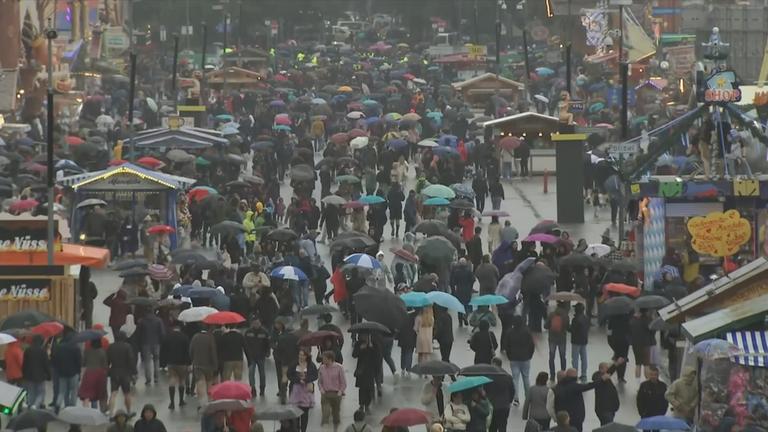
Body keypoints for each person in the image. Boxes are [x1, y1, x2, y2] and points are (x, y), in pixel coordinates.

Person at [503, 315, 535, 406]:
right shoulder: (527, 332)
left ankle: (516, 398)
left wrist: (509, 356)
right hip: (525, 358)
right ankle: (528, 397)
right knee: (526, 378)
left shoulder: (510, 332)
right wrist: (529, 355)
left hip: (514, 358)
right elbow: (531, 345)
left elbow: (506, 346)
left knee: (515, 379)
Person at [287, 348, 317, 432]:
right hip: (295, 391)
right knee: (295, 413)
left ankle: (303, 430)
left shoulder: (311, 365)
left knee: (304, 413)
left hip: (306, 391)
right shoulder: (294, 364)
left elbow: (315, 375)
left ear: (306, 356)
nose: (301, 357)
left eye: (303, 355)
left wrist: (306, 379)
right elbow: (289, 374)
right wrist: (297, 379)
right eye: (300, 355)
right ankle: (296, 429)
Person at [161, 321, 190, 410]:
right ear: (180, 328)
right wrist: (189, 363)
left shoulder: (167, 337)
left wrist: (163, 363)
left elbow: (163, 351)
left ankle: (172, 403)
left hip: (171, 363)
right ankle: (181, 401)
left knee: (172, 380)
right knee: (181, 381)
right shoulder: (184, 337)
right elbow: (187, 351)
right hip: (182, 363)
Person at [51, 330, 82, 410]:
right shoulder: (76, 348)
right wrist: (79, 373)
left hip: (62, 373)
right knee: (74, 391)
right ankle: (72, 408)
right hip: (73, 373)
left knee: (63, 391)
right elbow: (79, 362)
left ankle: (59, 404)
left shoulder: (59, 347)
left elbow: (56, 360)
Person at [190, 327, 218, 408]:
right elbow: (213, 352)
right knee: (209, 383)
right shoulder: (210, 338)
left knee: (200, 383)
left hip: (198, 365)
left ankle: (202, 403)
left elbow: (191, 350)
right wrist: (215, 365)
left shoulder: (195, 337)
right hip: (209, 366)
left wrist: (193, 360)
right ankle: (209, 401)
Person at [318, 350, 346, 428]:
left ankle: (335, 428)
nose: (322, 360)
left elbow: (343, 382)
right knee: (325, 414)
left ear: (330, 359)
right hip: (325, 394)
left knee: (336, 415)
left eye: (324, 358)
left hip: (336, 393)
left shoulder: (339, 367)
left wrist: (340, 392)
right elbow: (319, 381)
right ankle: (325, 428)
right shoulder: (322, 368)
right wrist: (321, 390)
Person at [352, 335, 379, 414]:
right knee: (362, 388)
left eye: (367, 336)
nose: (365, 338)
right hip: (361, 370)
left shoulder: (374, 344)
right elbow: (354, 355)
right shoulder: (359, 344)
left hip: (370, 370)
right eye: (364, 336)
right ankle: (361, 405)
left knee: (369, 388)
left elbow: (378, 356)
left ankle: (367, 405)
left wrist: (372, 348)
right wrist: (361, 348)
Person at [485, 357, 514, 432]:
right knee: (503, 426)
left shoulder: (489, 376)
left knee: (492, 427)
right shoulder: (508, 376)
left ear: (494, 364)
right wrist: (509, 401)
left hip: (493, 405)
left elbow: (485, 390)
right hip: (505, 406)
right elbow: (512, 391)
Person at [244, 317, 271, 397]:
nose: (256, 325)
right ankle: (253, 388)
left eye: (258, 323)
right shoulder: (248, 332)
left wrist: (267, 352)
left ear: (260, 323)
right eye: (255, 323)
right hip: (251, 356)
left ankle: (262, 389)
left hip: (261, 356)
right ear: (252, 324)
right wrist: (247, 354)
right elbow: (245, 344)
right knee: (251, 373)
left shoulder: (264, 332)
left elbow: (267, 343)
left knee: (262, 373)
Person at [79, 338, 108, 410]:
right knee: (95, 394)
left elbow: (83, 363)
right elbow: (105, 365)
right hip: (99, 374)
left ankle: (85, 410)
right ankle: (94, 411)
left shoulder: (87, 351)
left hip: (88, 373)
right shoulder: (102, 351)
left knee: (87, 394)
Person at [136, 310, 165, 385]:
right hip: (156, 343)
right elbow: (162, 333)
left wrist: (139, 344)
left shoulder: (142, 321)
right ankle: (156, 378)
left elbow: (138, 334)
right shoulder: (159, 320)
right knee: (156, 360)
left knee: (147, 362)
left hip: (145, 343)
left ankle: (148, 379)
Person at [592, 359, 624, 425]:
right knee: (608, 427)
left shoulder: (605, 374)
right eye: (607, 367)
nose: (608, 369)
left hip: (609, 408)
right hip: (605, 409)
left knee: (605, 427)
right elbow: (597, 379)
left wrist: (616, 364)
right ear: (602, 369)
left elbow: (610, 371)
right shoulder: (597, 375)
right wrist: (602, 378)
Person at [22, 334, 51, 409]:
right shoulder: (43, 351)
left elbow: (24, 363)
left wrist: (24, 374)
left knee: (31, 392)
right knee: (41, 392)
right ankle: (35, 405)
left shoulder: (28, 350)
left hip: (29, 375)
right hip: (40, 376)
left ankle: (30, 406)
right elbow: (46, 364)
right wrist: (49, 375)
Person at [545, 303, 570, 379]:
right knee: (562, 356)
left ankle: (552, 375)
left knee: (551, 357)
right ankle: (563, 373)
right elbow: (568, 327)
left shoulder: (552, 314)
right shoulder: (565, 316)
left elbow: (546, 326)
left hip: (552, 338)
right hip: (562, 338)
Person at [450, 258, 475, 327]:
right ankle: (465, 316)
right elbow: (473, 279)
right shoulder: (469, 271)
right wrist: (470, 286)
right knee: (467, 304)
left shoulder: (457, 272)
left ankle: (460, 321)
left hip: (459, 290)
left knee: (459, 305)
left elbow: (453, 282)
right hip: (467, 290)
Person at [569, 303, 589, 382]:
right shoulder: (586, 318)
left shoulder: (575, 319)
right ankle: (584, 374)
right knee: (584, 358)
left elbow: (572, 330)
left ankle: (575, 374)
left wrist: (568, 327)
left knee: (575, 358)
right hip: (584, 340)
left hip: (576, 341)